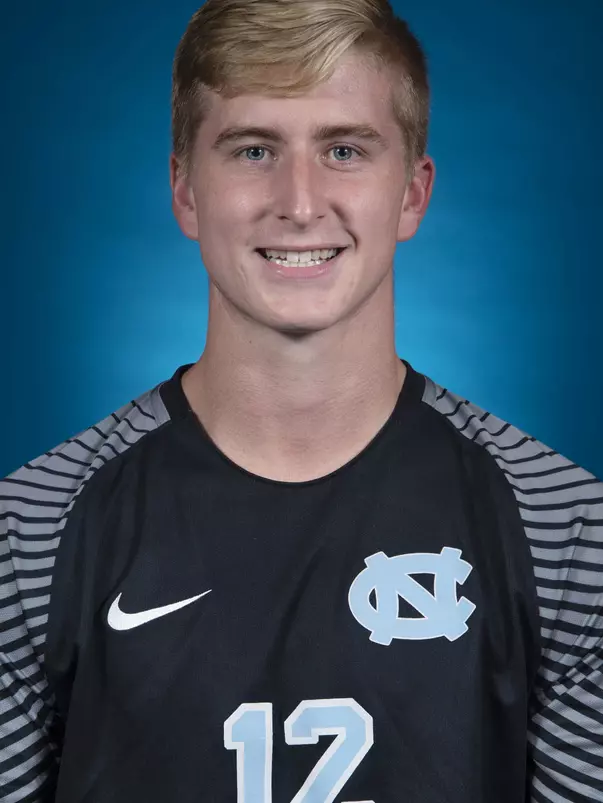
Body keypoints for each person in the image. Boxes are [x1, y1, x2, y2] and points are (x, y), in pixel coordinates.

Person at [1, 0, 602, 800]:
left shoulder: (566, 532)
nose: (299, 202)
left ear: (412, 194)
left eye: (345, 149)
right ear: (184, 191)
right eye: (252, 149)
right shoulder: (29, 531)